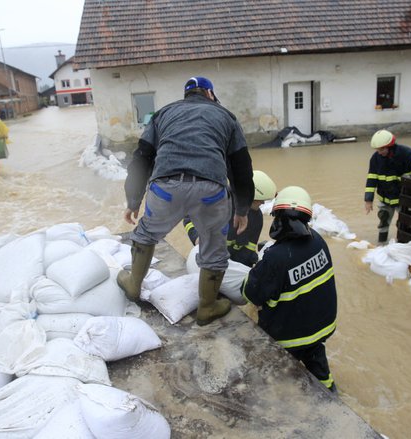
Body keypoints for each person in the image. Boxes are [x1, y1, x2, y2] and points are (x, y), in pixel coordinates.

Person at [118, 76, 255, 326]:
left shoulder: (163, 114)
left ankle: (133, 286)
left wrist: (133, 199)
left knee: (146, 234)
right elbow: (241, 165)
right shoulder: (226, 117)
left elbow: (142, 157)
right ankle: (207, 307)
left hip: (165, 187)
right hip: (211, 190)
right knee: (214, 247)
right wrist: (243, 207)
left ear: (186, 95)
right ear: (210, 94)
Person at [241, 186, 338, 392]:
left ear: (277, 216)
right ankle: (330, 393)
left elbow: (251, 293)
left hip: (289, 336)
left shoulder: (276, 257)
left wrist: (258, 269)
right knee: (319, 369)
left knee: (276, 378)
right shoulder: (318, 240)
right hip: (322, 327)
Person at [183, 170, 277, 267]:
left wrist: (253, 261)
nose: (263, 204)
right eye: (260, 201)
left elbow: (247, 249)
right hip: (207, 259)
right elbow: (188, 217)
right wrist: (196, 238)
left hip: (229, 265)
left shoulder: (257, 218)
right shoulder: (216, 199)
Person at [364, 129, 411, 244]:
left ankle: (405, 243)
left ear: (390, 146)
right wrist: (368, 200)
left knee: (405, 222)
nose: (379, 152)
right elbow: (371, 179)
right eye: (377, 149)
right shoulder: (375, 159)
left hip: (403, 198)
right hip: (385, 199)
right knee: (383, 220)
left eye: (382, 149)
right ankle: (381, 243)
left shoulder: (404, 152)